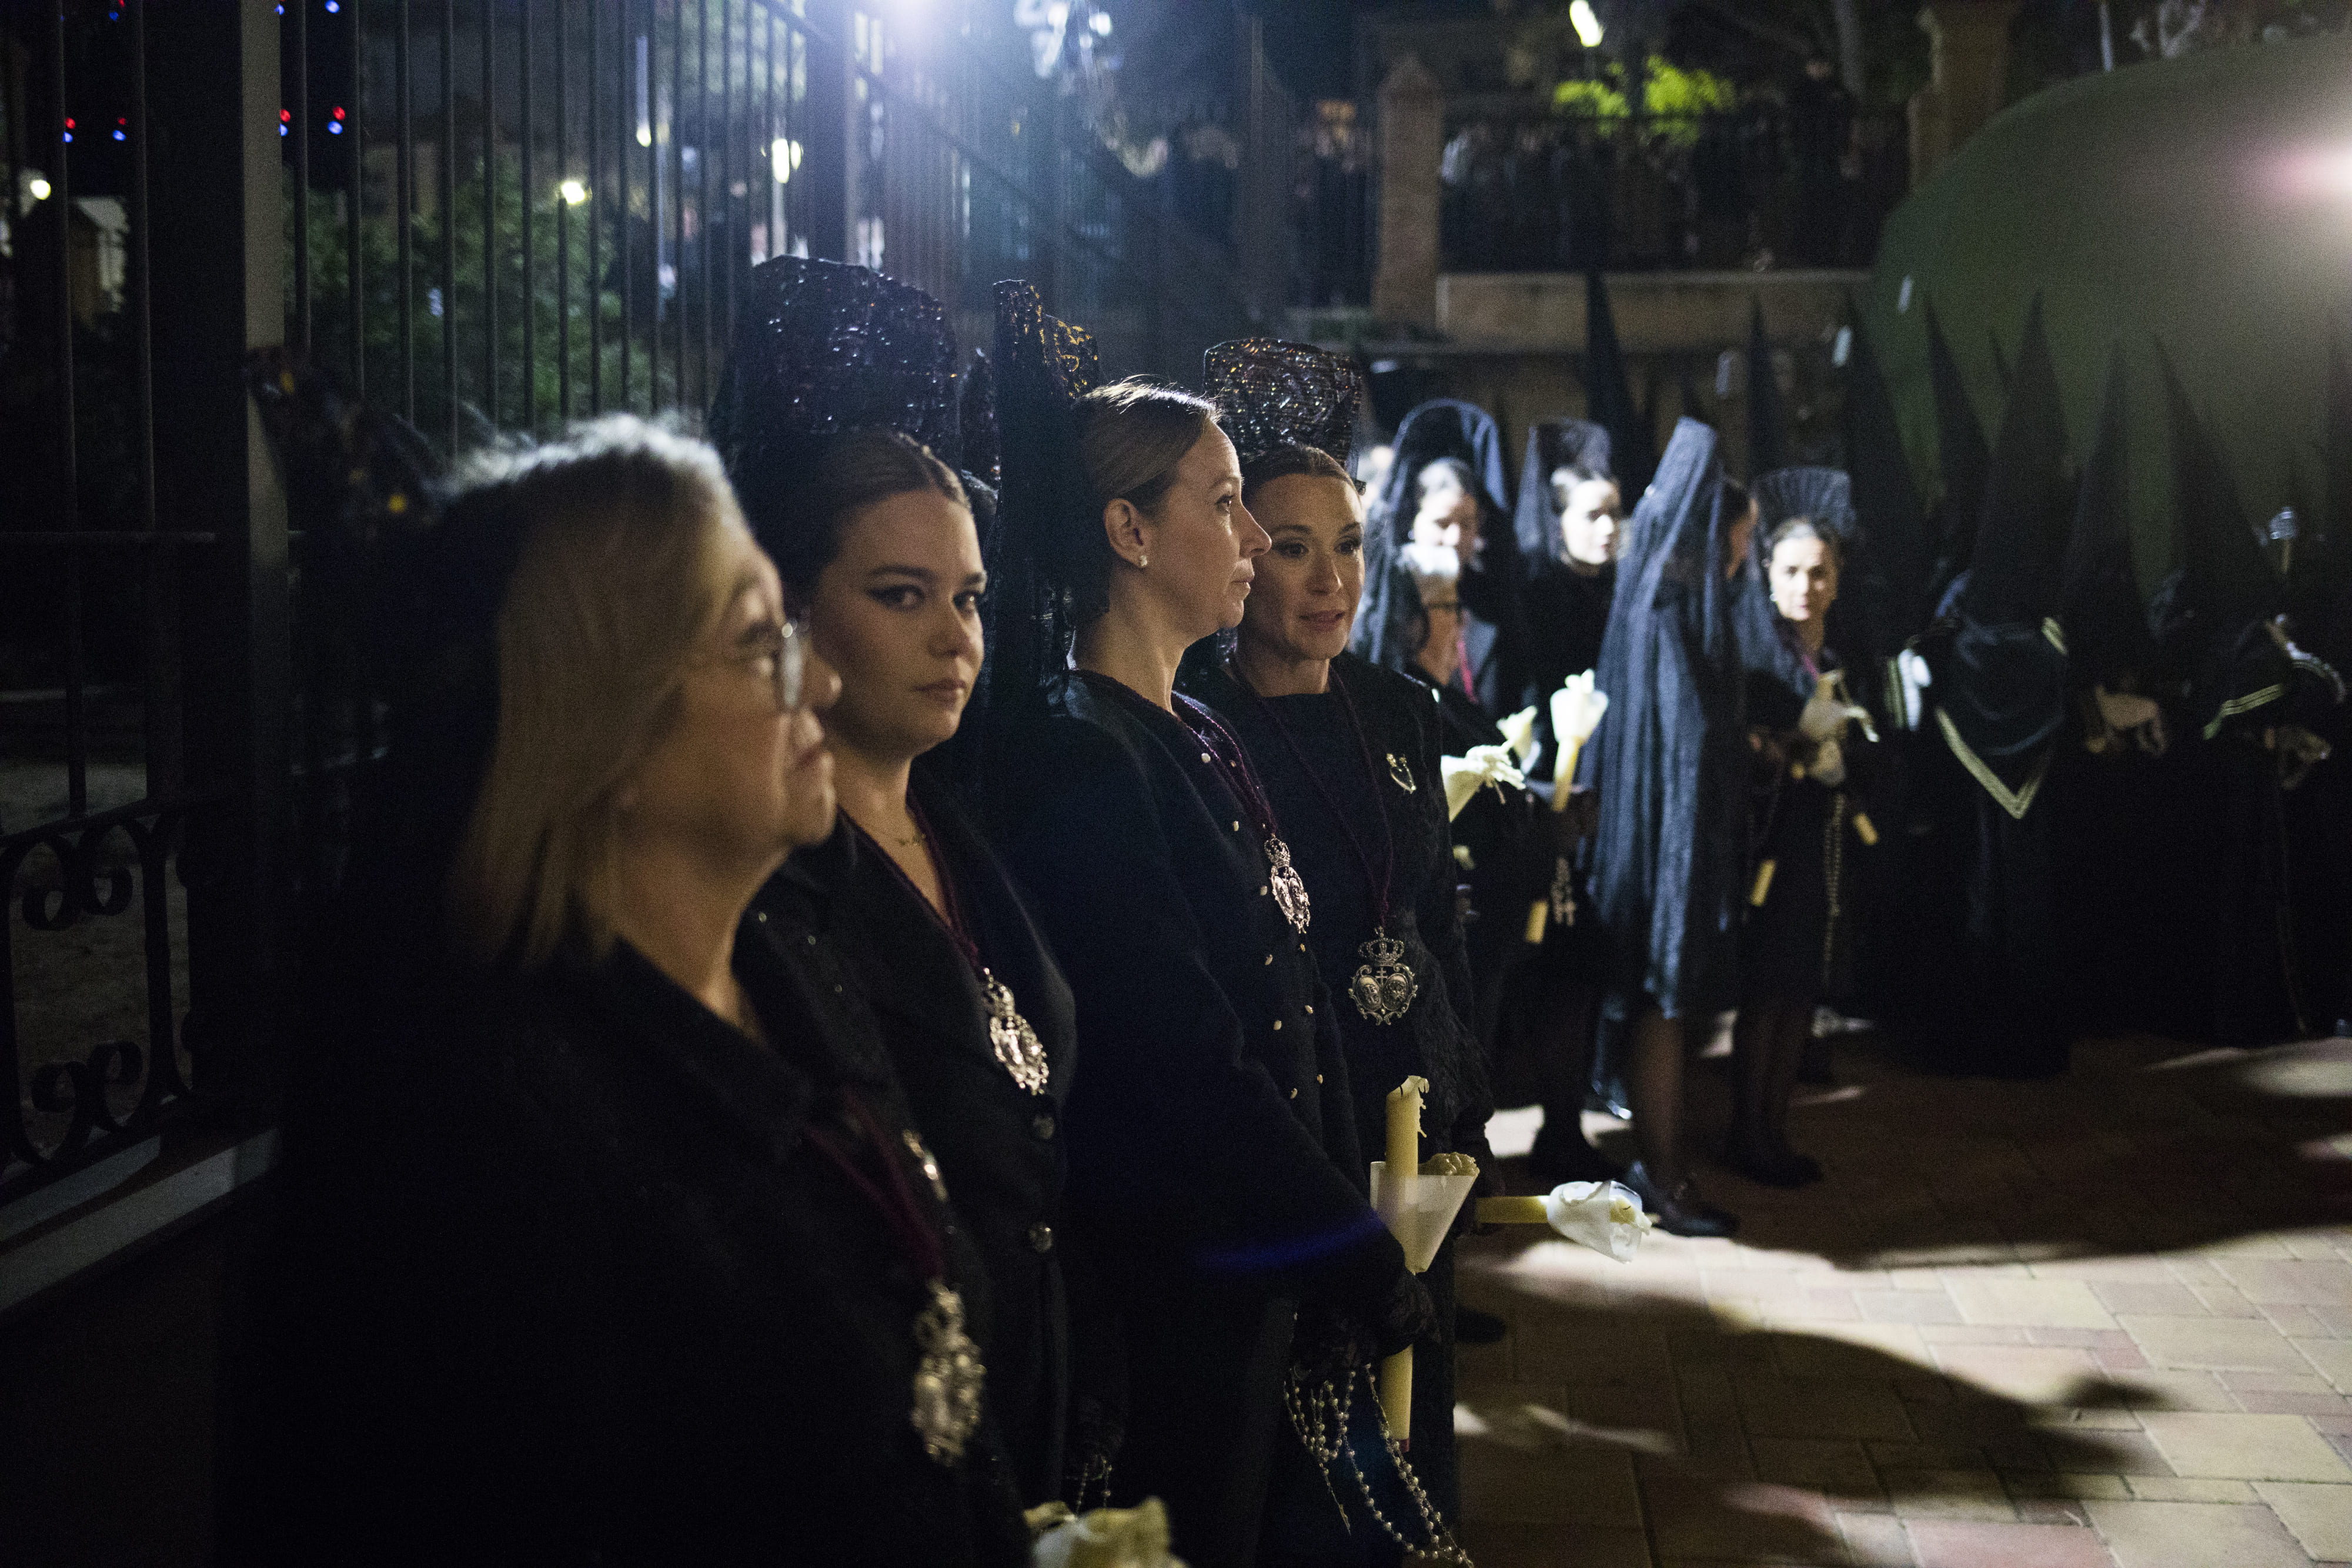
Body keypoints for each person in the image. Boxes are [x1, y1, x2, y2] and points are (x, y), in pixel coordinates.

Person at [234, 417, 1035, 1565]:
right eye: (759, 640)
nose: (815, 676)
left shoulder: (789, 970)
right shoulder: (491, 1142)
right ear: (603, 715)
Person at [984, 286, 1429, 1568]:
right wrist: (1349, 1245)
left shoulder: (1195, 725)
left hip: (1256, 1274)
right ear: (1127, 529)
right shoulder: (1083, 755)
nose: (1250, 534)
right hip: (1176, 1290)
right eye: (1225, 501)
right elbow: (1181, 1055)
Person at [710, 257, 1089, 1507]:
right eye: (900, 595)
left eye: (970, 598)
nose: (955, 637)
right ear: (792, 612)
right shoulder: (768, 892)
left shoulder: (964, 833)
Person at [1184, 338, 1491, 1550]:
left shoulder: (1397, 710)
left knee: (1417, 1420)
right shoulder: (1199, 726)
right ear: (1238, 553)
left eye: (1351, 545)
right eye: (1293, 547)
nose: (1331, 579)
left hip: (1413, 1118)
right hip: (1299, 1125)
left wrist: (1465, 1098)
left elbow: (1433, 919)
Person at [1582, 418, 1756, 1237]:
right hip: (1664, 845)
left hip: (1668, 838)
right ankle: (1662, 1172)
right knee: (1663, 1001)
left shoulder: (1669, 603)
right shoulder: (1667, 615)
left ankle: (1664, 1162)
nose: (1742, 559)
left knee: (1668, 1005)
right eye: (1740, 542)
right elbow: (1686, 745)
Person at [1733, 505, 1873, 1186]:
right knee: (1767, 987)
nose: (1804, 587)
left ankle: (1775, 1125)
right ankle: (1747, 1132)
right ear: (1767, 574)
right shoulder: (1753, 654)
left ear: (1837, 579)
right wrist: (1779, 752)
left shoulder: (1842, 659)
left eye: (1818, 573)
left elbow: (1875, 744)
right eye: (1790, 571)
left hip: (1826, 841)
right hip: (1770, 845)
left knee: (1801, 991)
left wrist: (1847, 757)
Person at [1361, 399, 1524, 718]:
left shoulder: (1492, 601)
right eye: (1441, 523)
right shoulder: (1387, 609)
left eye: (1467, 523)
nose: (1455, 538)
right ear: (1411, 523)